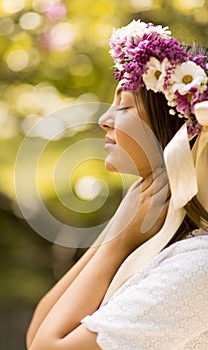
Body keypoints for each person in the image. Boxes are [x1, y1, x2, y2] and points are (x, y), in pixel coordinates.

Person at [26, 19, 208, 349]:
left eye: (123, 106)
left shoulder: (200, 265)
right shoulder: (154, 229)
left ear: (171, 129)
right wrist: (119, 229)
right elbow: (38, 327)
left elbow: (44, 346)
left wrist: (118, 245)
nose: (104, 119)